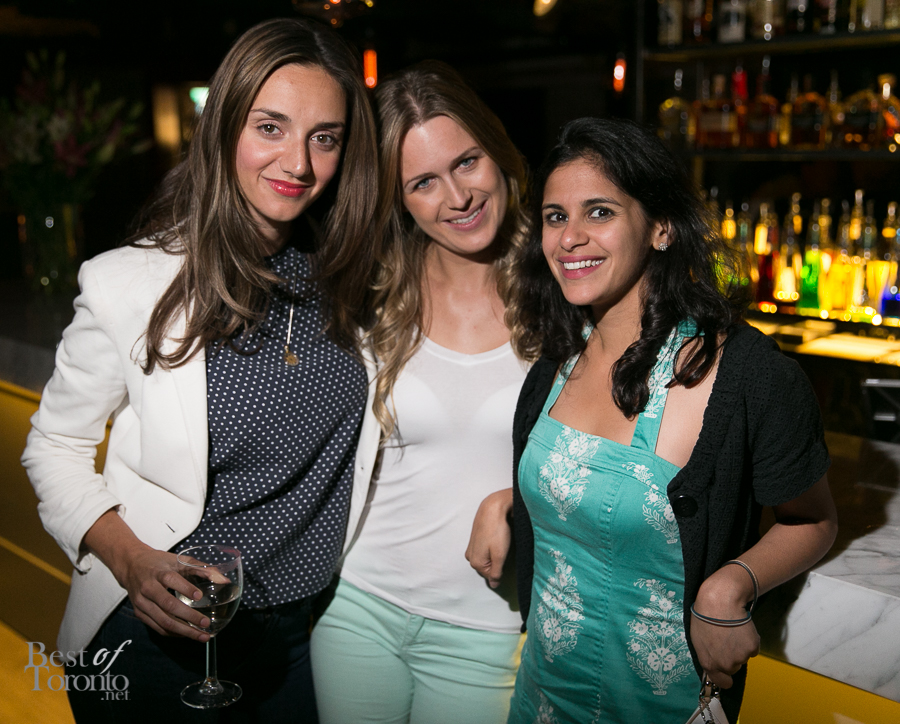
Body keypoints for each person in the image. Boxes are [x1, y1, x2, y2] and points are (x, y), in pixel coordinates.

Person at [21, 18, 379, 722]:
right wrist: (129, 559)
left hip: (303, 639)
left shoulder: (355, 284)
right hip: (154, 638)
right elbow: (54, 444)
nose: (298, 163)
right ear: (222, 129)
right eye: (269, 127)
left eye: (325, 138)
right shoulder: (130, 283)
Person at [503, 117, 838, 723]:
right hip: (542, 697)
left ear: (660, 227)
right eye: (555, 217)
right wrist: (503, 500)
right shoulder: (556, 362)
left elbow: (812, 520)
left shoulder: (746, 377)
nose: (570, 237)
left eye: (599, 212)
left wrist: (730, 584)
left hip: (664, 708)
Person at [309, 60, 531, 724]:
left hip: (489, 625)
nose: (457, 197)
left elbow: (618, 448)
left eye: (467, 162)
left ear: (497, 153)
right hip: (357, 606)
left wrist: (521, 500)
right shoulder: (373, 296)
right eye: (423, 182)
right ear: (399, 199)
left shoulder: (563, 287)